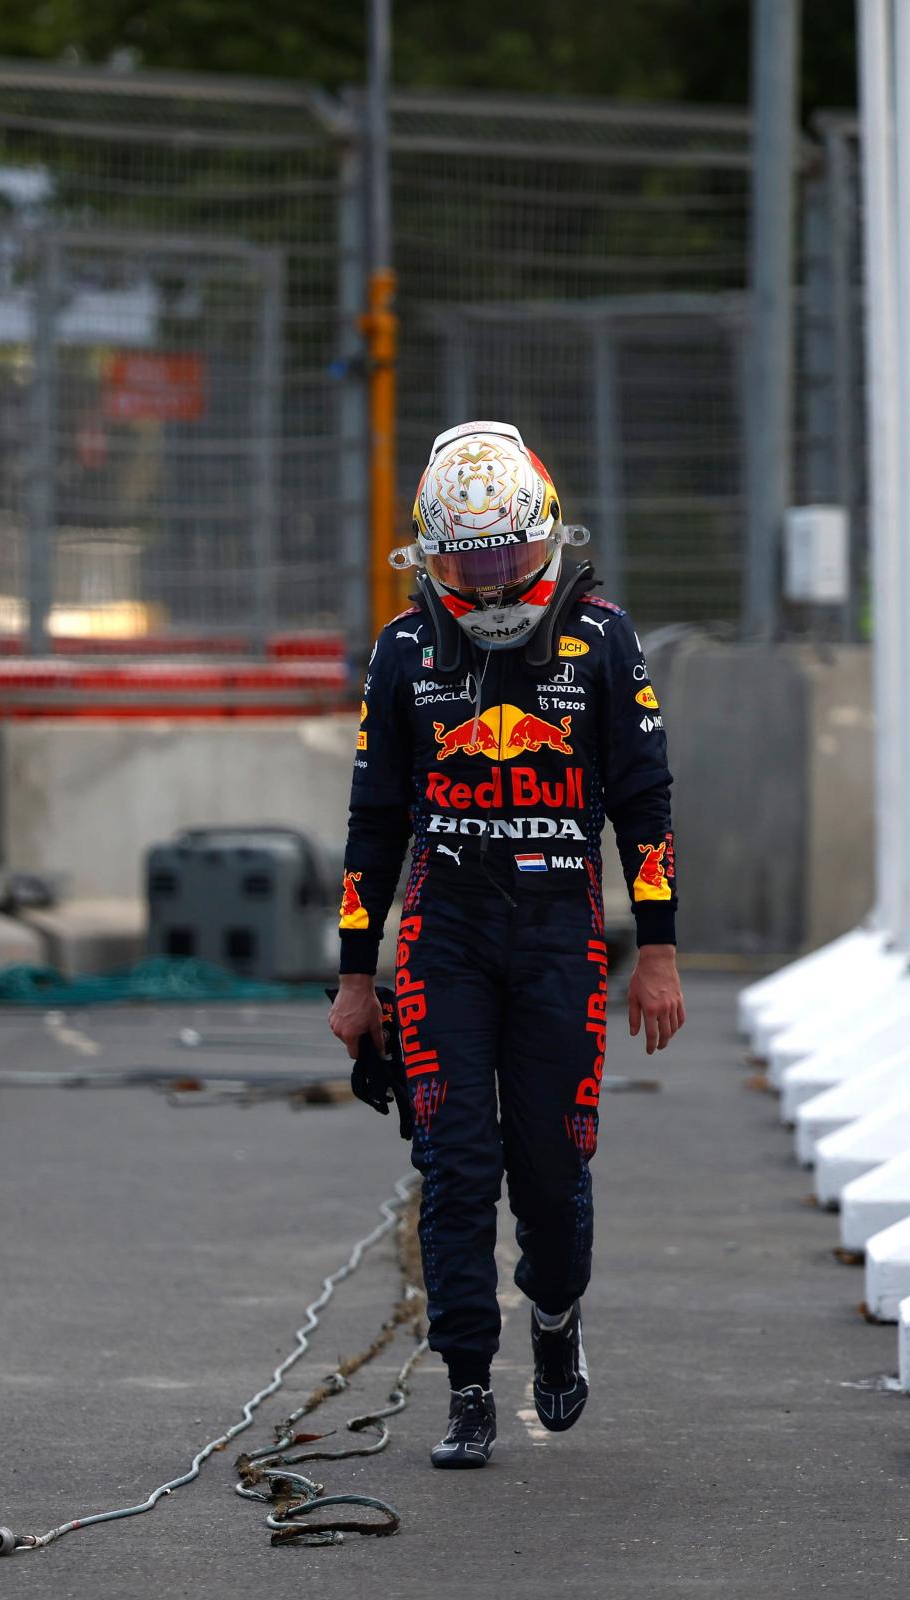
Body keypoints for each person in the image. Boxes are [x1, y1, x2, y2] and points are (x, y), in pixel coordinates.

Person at [328, 420, 685, 1470]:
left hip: (559, 934)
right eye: (465, 561)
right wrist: (358, 975)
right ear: (428, 556)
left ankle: (558, 1313)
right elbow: (371, 818)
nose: (486, 585)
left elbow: (645, 802)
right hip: (443, 938)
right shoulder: (401, 649)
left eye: (504, 558)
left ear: (547, 539)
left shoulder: (606, 640)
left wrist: (656, 950)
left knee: (549, 1163)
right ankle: (469, 1386)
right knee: (454, 1164)